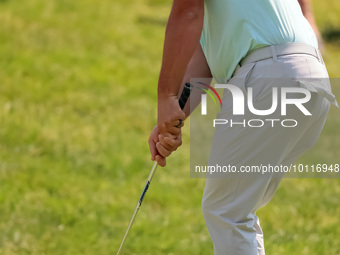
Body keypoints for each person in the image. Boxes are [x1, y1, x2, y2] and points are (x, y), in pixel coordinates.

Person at [148, 0, 337, 254]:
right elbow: (204, 58)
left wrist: (166, 97)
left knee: (227, 212)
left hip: (269, 74)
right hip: (309, 76)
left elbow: (188, 11)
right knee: (236, 211)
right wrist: (173, 118)